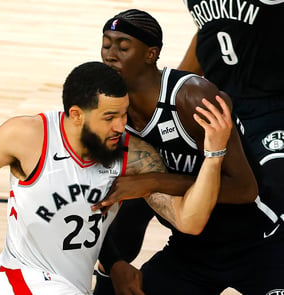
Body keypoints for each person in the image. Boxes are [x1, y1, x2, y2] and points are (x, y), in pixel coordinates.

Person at [0, 61, 231, 295]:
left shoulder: (133, 155)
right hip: (20, 280)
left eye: (124, 114)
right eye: (110, 117)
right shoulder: (28, 136)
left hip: (73, 285)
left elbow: (191, 220)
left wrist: (214, 154)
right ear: (76, 115)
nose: (120, 125)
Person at [93, 9, 284, 295]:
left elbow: (245, 189)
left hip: (259, 245)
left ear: (150, 54)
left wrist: (155, 181)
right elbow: (95, 202)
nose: (110, 54)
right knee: (124, 197)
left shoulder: (193, 97)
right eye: (106, 44)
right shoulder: (112, 112)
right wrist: (114, 262)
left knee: (139, 187)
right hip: (191, 253)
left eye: (123, 46)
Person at [179, 0, 284, 239]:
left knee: (276, 187)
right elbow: (211, 28)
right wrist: (174, 86)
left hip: (273, 106)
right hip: (221, 107)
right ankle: (108, 270)